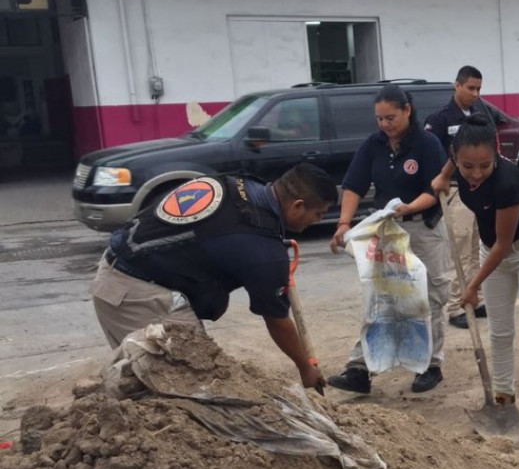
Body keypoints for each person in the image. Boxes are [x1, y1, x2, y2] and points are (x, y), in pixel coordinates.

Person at [91, 163, 336, 390]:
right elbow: (277, 320)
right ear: (298, 206)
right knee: (196, 385)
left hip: (115, 274)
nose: (319, 220)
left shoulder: (236, 184)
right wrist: (305, 366)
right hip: (137, 294)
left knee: (160, 379)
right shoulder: (264, 252)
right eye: (319, 213)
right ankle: (102, 407)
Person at [439, 115, 519, 460]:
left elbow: (503, 245)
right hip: (493, 250)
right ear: (456, 155)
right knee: (499, 333)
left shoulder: (508, 180)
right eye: (467, 166)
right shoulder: (459, 163)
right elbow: (452, 165)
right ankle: (503, 400)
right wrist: (443, 177)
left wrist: (471, 287)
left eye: (484, 165)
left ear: (495, 154)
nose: (476, 173)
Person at [326, 85, 453, 395]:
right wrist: (344, 223)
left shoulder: (427, 144)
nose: (384, 124)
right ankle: (360, 368)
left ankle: (430, 365)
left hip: (423, 227)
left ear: (407, 110)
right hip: (387, 231)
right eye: (379, 119)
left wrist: (409, 208)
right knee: (380, 296)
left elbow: (434, 189)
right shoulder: (373, 145)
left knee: (431, 295)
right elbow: (354, 185)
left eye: (391, 118)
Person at [425, 65, 494, 329]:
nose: (475, 93)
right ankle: (456, 306)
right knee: (460, 248)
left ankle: (473, 300)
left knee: (478, 246)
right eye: (470, 88)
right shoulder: (441, 119)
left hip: (480, 188)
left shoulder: (479, 115)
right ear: (457, 86)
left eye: (479, 89)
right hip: (455, 189)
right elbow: (431, 154)